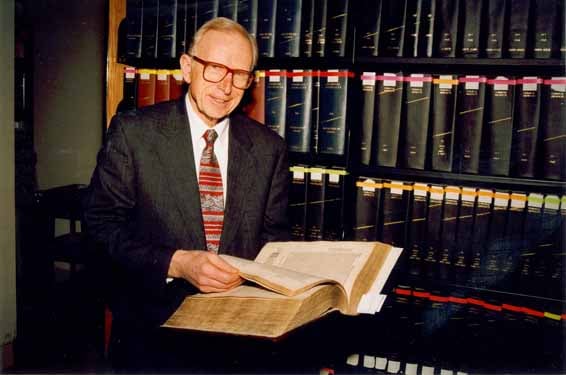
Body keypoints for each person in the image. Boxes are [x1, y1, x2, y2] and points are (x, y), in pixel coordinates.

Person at [84, 17, 290, 372]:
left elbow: (275, 240)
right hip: (152, 338)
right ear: (187, 67)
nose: (226, 87)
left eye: (239, 74)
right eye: (214, 69)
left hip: (240, 342)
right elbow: (100, 230)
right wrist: (176, 263)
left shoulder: (269, 148)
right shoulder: (134, 135)